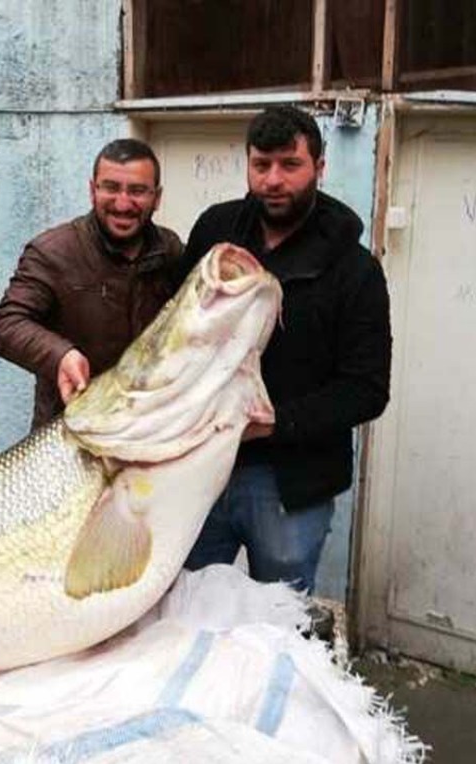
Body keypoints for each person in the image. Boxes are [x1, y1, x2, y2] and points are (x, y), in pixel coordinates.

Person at [179, 106, 392, 593]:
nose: (274, 180)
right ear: (248, 165)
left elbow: (366, 390)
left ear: (319, 167)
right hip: (200, 468)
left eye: (289, 165)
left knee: (276, 625)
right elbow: (178, 328)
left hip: (292, 486)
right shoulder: (216, 232)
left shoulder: (355, 270)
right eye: (261, 164)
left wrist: (272, 424)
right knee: (184, 608)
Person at [0, 138, 183, 428]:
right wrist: (61, 355)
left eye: (138, 191)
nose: (123, 203)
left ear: (157, 197)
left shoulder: (170, 249)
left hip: (145, 431)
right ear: (93, 190)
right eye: (111, 187)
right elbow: (3, 325)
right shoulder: (53, 251)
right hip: (70, 430)